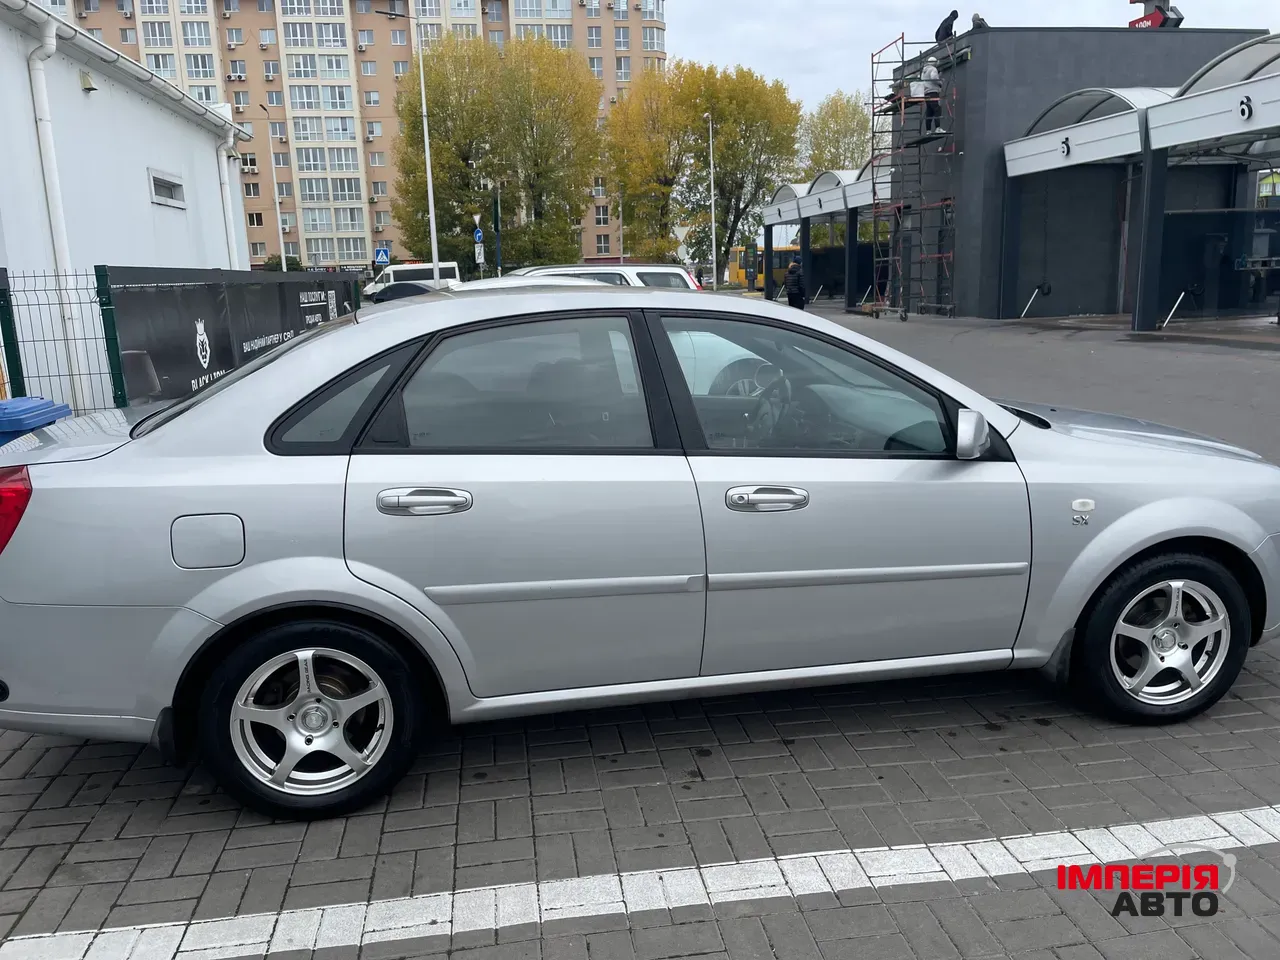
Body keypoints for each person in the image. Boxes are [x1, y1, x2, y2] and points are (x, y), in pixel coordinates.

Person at [922, 56, 943, 134]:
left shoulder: (924, 71)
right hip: (933, 92)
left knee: (929, 111)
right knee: (937, 109)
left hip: (926, 93)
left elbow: (925, 81)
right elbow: (934, 78)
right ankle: (938, 128)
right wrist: (940, 82)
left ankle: (928, 130)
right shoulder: (933, 69)